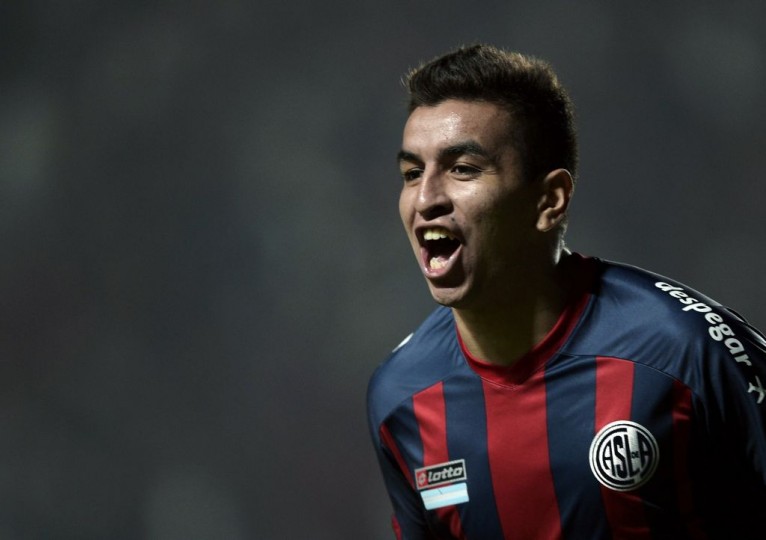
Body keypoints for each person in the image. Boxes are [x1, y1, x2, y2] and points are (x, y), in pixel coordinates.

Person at [366, 43, 766, 539]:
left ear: (550, 201)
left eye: (463, 169)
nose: (426, 198)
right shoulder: (401, 397)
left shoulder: (688, 351)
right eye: (411, 173)